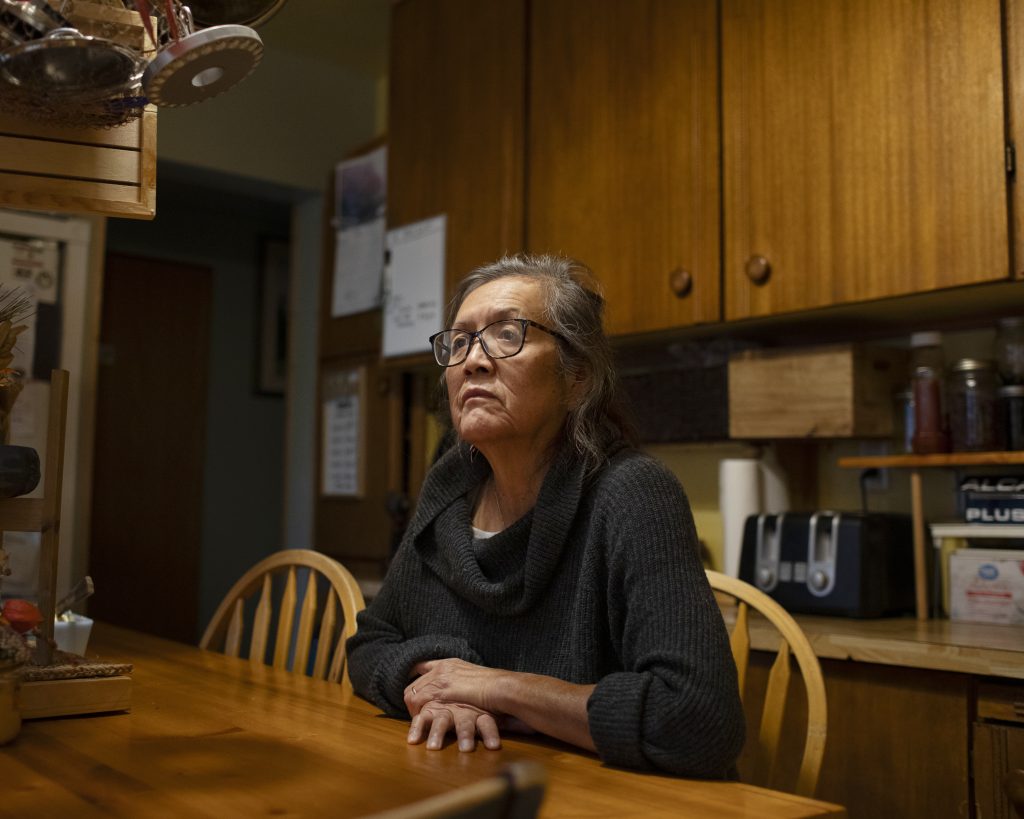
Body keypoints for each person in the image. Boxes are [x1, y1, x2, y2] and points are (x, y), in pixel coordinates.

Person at [346, 253, 745, 778]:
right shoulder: (450, 485)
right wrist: (440, 684)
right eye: (459, 341)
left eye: (506, 334)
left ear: (577, 377)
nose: (473, 360)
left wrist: (498, 687)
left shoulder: (633, 492)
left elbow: (698, 720)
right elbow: (370, 645)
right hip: (471, 779)